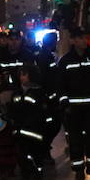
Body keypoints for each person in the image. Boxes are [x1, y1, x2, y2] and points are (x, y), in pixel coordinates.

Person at [57, 27, 90, 180]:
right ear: (73, 40)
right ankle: (78, 169)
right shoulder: (66, 61)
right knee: (75, 139)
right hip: (73, 108)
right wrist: (64, 101)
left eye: (85, 38)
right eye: (80, 38)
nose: (84, 41)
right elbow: (60, 84)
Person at [10, 65, 47, 180]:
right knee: (22, 154)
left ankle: (37, 173)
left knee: (36, 153)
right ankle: (25, 175)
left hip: (34, 130)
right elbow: (13, 109)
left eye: (24, 74)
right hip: (20, 129)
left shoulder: (38, 92)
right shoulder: (17, 92)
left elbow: (41, 111)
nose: (22, 77)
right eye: (20, 75)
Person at [35, 31, 62, 164]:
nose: (56, 43)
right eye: (55, 41)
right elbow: (45, 78)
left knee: (54, 125)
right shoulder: (44, 57)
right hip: (46, 99)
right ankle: (44, 150)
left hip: (51, 99)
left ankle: (44, 149)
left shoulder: (49, 56)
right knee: (50, 126)